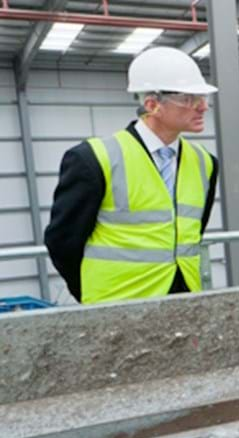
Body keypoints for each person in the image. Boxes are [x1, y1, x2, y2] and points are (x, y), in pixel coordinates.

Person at [45, 47, 220, 304]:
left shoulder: (205, 163)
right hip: (116, 304)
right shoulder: (94, 159)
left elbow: (191, 232)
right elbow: (62, 242)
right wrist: (92, 294)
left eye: (202, 97)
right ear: (152, 105)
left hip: (184, 300)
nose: (202, 107)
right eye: (189, 98)